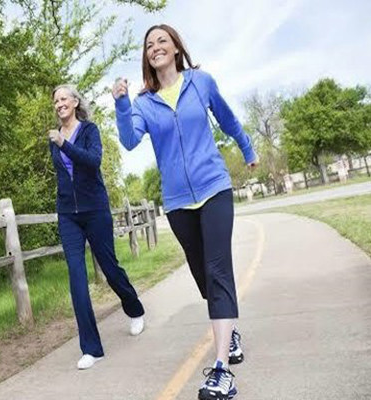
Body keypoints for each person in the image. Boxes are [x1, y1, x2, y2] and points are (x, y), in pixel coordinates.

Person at [112, 24, 257, 400]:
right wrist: (122, 103)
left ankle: (222, 370)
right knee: (200, 273)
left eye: (162, 41)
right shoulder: (144, 102)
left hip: (214, 187)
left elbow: (225, 118)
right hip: (177, 201)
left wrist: (248, 148)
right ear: (147, 58)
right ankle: (230, 331)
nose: (155, 47)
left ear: (176, 48)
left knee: (217, 268)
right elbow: (129, 141)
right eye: (149, 45)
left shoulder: (200, 81)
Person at [48, 84, 145, 370]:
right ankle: (91, 348)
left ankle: (134, 308)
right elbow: (63, 175)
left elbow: (93, 162)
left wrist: (64, 144)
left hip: (95, 210)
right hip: (68, 215)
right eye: (55, 101)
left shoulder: (89, 131)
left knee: (110, 267)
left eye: (64, 98)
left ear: (76, 102)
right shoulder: (53, 139)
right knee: (76, 278)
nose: (59, 103)